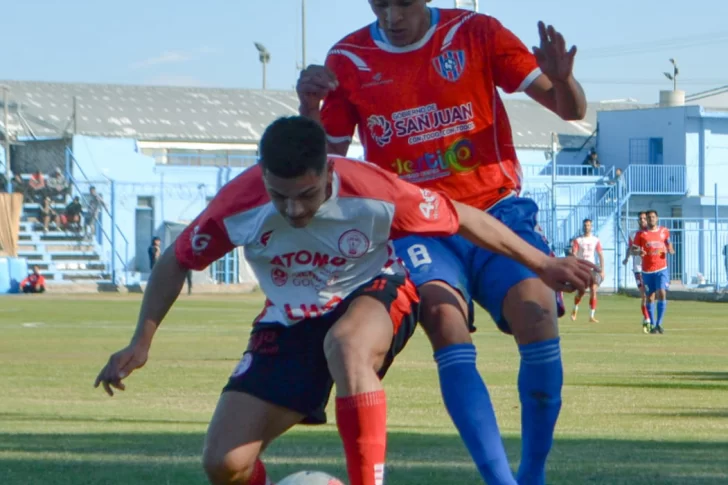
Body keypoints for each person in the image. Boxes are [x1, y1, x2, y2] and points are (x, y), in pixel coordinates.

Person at [94, 117, 595, 485]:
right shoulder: (238, 204)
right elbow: (177, 259)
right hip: (288, 320)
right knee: (224, 465)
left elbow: (463, 217)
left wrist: (542, 264)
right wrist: (142, 341)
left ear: (327, 172)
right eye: (279, 195)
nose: (293, 209)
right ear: (263, 176)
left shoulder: (374, 190)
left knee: (347, 345)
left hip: (375, 292)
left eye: (307, 196)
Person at [296, 3, 587, 483]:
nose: (391, 14)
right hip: (417, 223)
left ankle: (532, 475)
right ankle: (500, 480)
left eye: (403, 3)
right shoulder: (348, 59)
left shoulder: (475, 32)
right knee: (443, 318)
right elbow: (326, 161)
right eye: (379, 3)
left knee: (536, 312)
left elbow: (570, 108)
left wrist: (565, 81)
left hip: (496, 209)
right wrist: (309, 108)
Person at [633, 210, 674, 334]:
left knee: (661, 292)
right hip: (647, 270)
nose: (651, 219)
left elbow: (668, 242)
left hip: (661, 268)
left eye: (653, 217)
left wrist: (670, 248)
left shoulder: (663, 231)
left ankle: (659, 324)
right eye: (649, 217)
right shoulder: (641, 234)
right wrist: (638, 252)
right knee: (650, 297)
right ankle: (651, 323)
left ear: (657, 218)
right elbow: (633, 249)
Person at [570, 219, 604, 323]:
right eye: (585, 225)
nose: (587, 227)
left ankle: (591, 316)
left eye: (589, 225)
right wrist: (575, 257)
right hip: (581, 269)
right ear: (583, 226)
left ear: (591, 227)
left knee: (594, 290)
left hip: (592, 268)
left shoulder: (595, 240)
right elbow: (574, 252)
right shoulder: (578, 240)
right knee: (581, 292)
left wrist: (602, 270)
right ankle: (575, 308)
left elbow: (600, 255)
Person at [623, 211, 651, 332]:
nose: (643, 220)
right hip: (639, 268)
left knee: (651, 296)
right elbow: (631, 249)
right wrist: (627, 257)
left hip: (651, 268)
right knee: (644, 295)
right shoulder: (633, 234)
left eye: (645, 218)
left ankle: (648, 317)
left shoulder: (652, 233)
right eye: (640, 219)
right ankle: (647, 319)